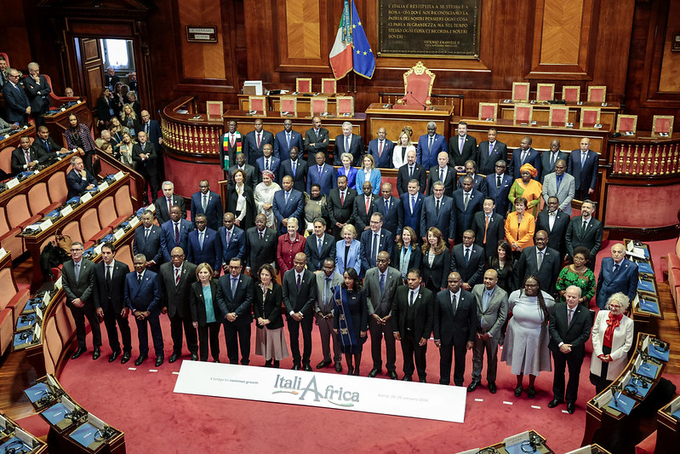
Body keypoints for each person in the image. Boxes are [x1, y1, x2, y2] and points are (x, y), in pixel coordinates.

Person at [502, 276, 555, 399]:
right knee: (519, 359)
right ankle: (519, 384)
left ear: (538, 287)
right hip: (518, 333)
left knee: (533, 360)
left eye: (532, 285)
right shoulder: (515, 295)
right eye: (527, 285)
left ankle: (531, 386)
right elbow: (510, 307)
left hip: (537, 335)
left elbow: (552, 314)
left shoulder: (548, 300)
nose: (529, 288)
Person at [548, 285, 593, 414]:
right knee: (558, 372)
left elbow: (585, 335)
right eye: (568, 296)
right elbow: (552, 328)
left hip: (575, 351)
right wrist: (561, 344)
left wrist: (570, 346)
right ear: (565, 296)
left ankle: (570, 401)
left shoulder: (586, 313)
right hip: (558, 347)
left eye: (574, 297)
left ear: (579, 298)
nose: (571, 299)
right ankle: (557, 397)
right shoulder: (557, 308)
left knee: (574, 376)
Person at [468, 269, 508, 394]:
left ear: (496, 280)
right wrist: (474, 330)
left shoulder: (502, 294)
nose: (487, 281)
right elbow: (471, 310)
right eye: (485, 278)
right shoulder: (476, 289)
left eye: (490, 279)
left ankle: (491, 381)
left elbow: (503, 316)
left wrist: (490, 333)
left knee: (492, 358)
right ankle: (476, 379)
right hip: (477, 332)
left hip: (492, 334)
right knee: (477, 357)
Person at [433, 272, 476, 387]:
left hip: (461, 336)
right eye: (450, 282)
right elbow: (436, 319)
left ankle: (458, 383)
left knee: (460, 361)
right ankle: (444, 382)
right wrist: (436, 337)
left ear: (460, 282)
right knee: (444, 360)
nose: (452, 284)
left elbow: (473, 321)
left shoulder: (470, 297)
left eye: (455, 281)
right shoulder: (440, 296)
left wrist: (471, 339)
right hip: (445, 335)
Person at [392, 269, 434, 382]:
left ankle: (422, 376)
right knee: (406, 355)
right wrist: (395, 329)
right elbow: (395, 311)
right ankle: (407, 374)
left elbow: (430, 318)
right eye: (408, 279)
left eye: (413, 280)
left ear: (420, 280)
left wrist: (426, 336)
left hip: (419, 333)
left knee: (420, 357)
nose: (410, 282)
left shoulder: (428, 294)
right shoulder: (400, 290)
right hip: (404, 331)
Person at [364, 251, 401, 379]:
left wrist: (390, 314)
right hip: (374, 316)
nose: (380, 263)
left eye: (383, 261)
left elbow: (398, 298)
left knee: (390, 344)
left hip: (389, 317)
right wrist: (372, 312)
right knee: (375, 342)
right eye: (378, 261)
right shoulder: (369, 273)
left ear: (389, 261)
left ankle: (391, 367)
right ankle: (376, 366)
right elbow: (366, 295)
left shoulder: (396, 275)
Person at [93, 242, 132, 364]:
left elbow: (127, 288)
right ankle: (115, 349)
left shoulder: (123, 267)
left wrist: (126, 306)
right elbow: (95, 289)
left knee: (124, 328)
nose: (105, 255)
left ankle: (127, 350)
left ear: (114, 253)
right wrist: (98, 306)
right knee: (110, 329)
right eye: (103, 253)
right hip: (105, 306)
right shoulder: (97, 268)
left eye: (108, 253)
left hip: (119, 305)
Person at [159, 247, 198, 363]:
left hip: (187, 308)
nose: (176, 259)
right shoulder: (163, 268)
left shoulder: (192, 268)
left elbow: (194, 290)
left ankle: (194, 351)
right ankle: (176, 351)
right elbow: (161, 289)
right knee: (175, 332)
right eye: (173, 257)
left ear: (183, 256)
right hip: (172, 307)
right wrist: (163, 305)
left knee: (190, 331)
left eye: (178, 256)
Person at [63, 241, 101, 360]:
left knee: (94, 324)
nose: (74, 252)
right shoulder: (66, 266)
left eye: (77, 250)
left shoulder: (90, 265)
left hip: (88, 302)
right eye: (73, 250)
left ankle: (96, 347)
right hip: (74, 303)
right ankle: (81, 346)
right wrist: (74, 299)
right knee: (79, 325)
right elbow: (65, 285)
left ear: (83, 251)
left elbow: (92, 284)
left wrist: (82, 299)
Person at [590, 292, 634, 393]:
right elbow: (595, 333)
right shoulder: (601, 314)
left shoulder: (629, 322)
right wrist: (599, 352)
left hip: (616, 357)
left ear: (623, 307)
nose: (613, 308)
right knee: (599, 381)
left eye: (617, 306)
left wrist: (612, 357)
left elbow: (627, 344)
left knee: (610, 386)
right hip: (600, 353)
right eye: (611, 305)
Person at [125, 254, 164, 367]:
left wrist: (148, 311)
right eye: (135, 263)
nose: (138, 265)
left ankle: (159, 354)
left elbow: (157, 296)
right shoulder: (129, 277)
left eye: (140, 263)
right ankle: (143, 354)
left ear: (145, 263)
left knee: (156, 333)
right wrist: (134, 310)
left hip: (151, 311)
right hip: (137, 312)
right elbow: (126, 296)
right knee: (141, 334)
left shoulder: (153, 276)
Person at [282, 253, 317, 371]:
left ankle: (306, 362)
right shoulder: (287, 274)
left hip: (305, 314)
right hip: (291, 314)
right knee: (293, 338)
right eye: (296, 262)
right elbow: (285, 296)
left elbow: (312, 298)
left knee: (307, 337)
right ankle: (296, 361)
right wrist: (292, 312)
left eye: (301, 263)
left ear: (305, 263)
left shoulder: (311, 276)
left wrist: (301, 313)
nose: (298, 265)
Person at [216, 257, 254, 365]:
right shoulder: (222, 280)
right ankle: (233, 361)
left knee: (245, 342)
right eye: (231, 267)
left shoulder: (248, 280)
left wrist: (236, 313)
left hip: (243, 318)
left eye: (236, 268)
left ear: (241, 268)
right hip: (228, 318)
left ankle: (245, 360)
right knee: (230, 341)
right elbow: (219, 298)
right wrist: (227, 313)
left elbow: (249, 299)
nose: (233, 270)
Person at [331, 267, 368, 375]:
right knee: (346, 348)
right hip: (344, 324)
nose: (347, 281)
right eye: (345, 278)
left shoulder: (361, 291)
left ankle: (356, 369)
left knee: (357, 349)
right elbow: (337, 310)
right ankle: (350, 368)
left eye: (350, 278)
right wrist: (335, 326)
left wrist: (363, 328)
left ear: (354, 279)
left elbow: (364, 311)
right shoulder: (340, 291)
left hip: (356, 324)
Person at [253, 263, 289, 367]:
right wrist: (258, 317)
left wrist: (269, 320)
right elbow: (255, 303)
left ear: (272, 276)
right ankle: (268, 361)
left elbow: (278, 307)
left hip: (273, 322)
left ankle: (276, 362)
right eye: (262, 274)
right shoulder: (257, 286)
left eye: (266, 275)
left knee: (275, 344)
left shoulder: (277, 288)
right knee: (265, 343)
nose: (264, 277)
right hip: (261, 321)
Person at [314, 259, 344, 372]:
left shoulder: (340, 279)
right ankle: (326, 358)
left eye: (330, 267)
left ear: (334, 267)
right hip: (321, 314)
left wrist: (333, 313)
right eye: (325, 267)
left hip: (334, 316)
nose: (327, 270)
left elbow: (341, 299)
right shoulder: (317, 277)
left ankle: (338, 360)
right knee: (324, 338)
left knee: (336, 340)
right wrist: (317, 310)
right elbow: (314, 296)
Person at [190, 263, 221, 362]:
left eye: (205, 272)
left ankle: (216, 357)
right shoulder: (194, 286)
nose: (203, 275)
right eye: (200, 273)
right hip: (201, 318)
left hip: (214, 317)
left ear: (210, 274)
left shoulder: (216, 283)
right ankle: (203, 359)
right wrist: (194, 320)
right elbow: (193, 304)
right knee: (203, 340)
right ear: (197, 274)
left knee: (214, 339)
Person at [514, 230, 561, 295]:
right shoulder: (526, 252)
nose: (539, 242)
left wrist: (553, 292)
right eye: (537, 239)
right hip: (528, 290)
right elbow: (520, 272)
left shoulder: (555, 255)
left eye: (542, 239)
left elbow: (555, 276)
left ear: (547, 240)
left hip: (546, 291)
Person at [596, 243, 639, 309]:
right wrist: (598, 296)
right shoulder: (605, 261)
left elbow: (632, 289)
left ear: (624, 253)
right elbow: (600, 280)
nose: (616, 254)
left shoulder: (632, 267)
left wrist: (626, 304)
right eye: (614, 252)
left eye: (619, 252)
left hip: (617, 303)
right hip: (603, 298)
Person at [565, 199, 602, 268]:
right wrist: (572, 254)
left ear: (592, 210)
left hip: (588, 260)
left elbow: (598, 243)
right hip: (573, 257)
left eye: (588, 208)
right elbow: (567, 238)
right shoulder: (574, 220)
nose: (585, 209)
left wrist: (588, 257)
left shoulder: (597, 224)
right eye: (583, 207)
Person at [471, 198, 505, 264]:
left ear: (493, 206)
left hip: (492, 248)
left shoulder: (499, 218)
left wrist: (498, 248)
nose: (486, 207)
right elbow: (473, 232)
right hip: (479, 246)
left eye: (489, 205)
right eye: (485, 204)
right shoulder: (477, 216)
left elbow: (500, 236)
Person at [452, 175, 484, 243]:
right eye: (464, 184)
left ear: (472, 184)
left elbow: (480, 213)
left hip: (472, 228)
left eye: (468, 184)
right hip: (458, 229)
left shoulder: (479, 195)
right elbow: (453, 212)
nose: (466, 186)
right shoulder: (455, 194)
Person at [244, 214, 277, 278]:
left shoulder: (273, 233)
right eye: (257, 222)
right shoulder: (249, 232)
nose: (259, 224)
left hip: (267, 265)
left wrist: (276, 267)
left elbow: (275, 251)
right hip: (254, 265)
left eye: (261, 222)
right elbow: (247, 250)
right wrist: (248, 265)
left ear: (266, 222)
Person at [132, 131, 159, 204]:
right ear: (138, 138)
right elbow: (134, 157)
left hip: (151, 169)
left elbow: (154, 155)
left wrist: (146, 156)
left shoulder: (151, 145)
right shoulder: (135, 146)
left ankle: (155, 202)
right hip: (141, 170)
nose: (142, 138)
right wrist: (140, 158)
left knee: (154, 186)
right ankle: (146, 201)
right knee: (144, 187)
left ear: (146, 137)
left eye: (143, 136)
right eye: (140, 136)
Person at [327, 175, 357, 239]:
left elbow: (354, 210)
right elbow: (330, 208)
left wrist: (348, 222)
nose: (340, 185)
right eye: (339, 183)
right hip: (336, 225)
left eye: (342, 183)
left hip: (349, 225)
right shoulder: (332, 192)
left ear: (347, 183)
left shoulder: (353, 193)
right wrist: (335, 222)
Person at [421, 227, 451, 293]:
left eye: (434, 236)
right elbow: (421, 267)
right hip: (426, 283)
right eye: (429, 236)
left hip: (438, 284)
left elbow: (446, 270)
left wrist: (443, 285)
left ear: (438, 237)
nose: (431, 238)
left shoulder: (445, 251)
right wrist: (422, 280)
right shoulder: (424, 249)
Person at [23, 62, 50, 126]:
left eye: (38, 70)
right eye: (36, 71)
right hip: (37, 106)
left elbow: (48, 89)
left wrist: (39, 92)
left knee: (48, 123)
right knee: (40, 125)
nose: (38, 72)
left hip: (46, 103)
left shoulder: (42, 78)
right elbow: (32, 93)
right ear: (30, 71)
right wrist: (37, 83)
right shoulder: (26, 80)